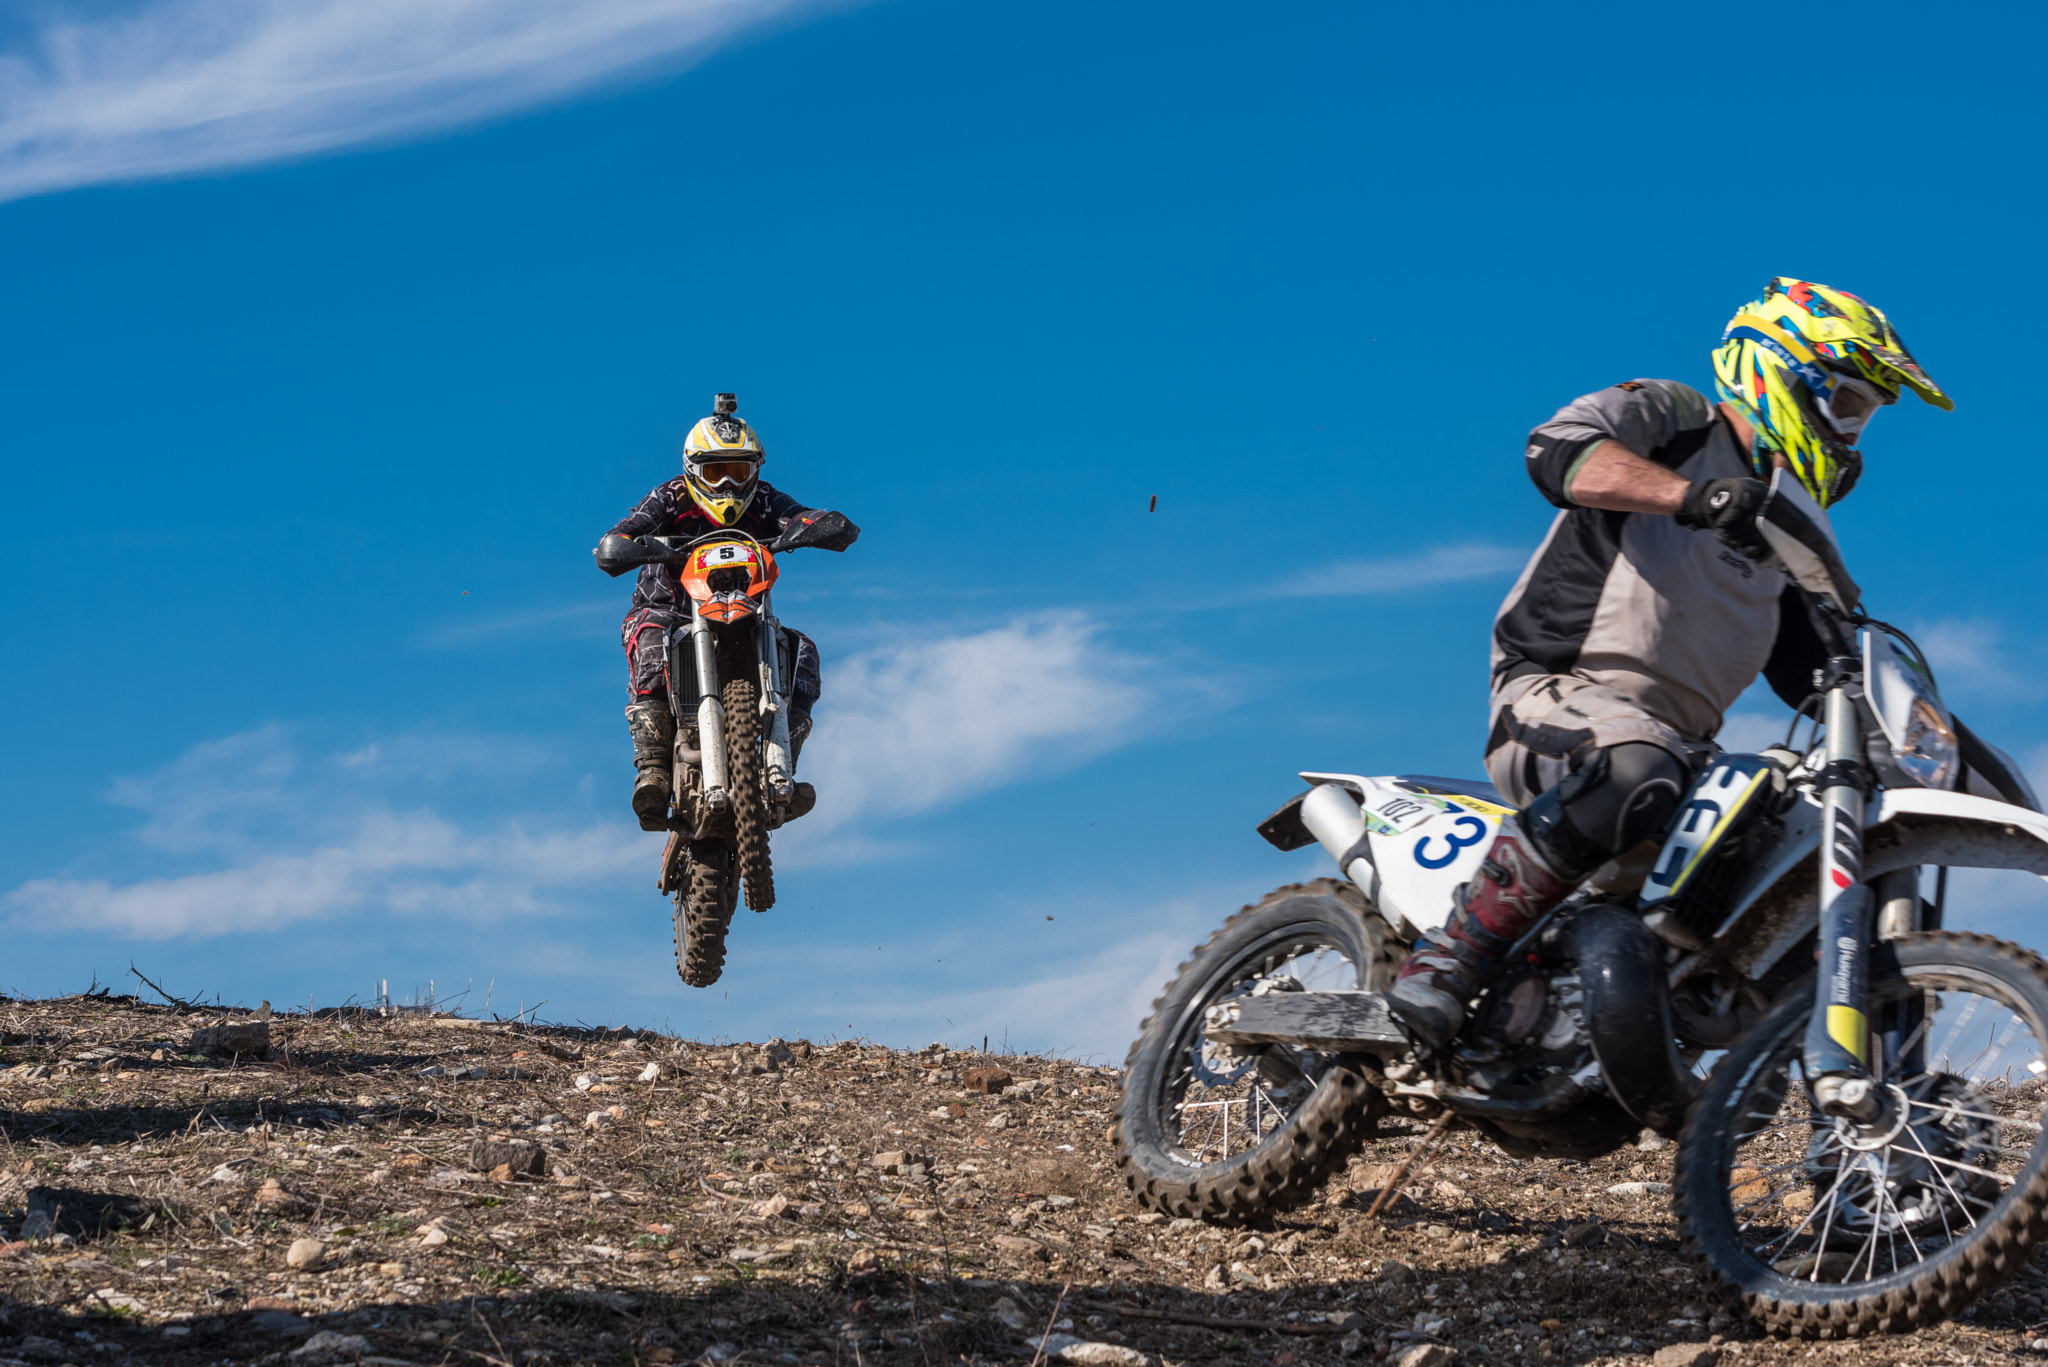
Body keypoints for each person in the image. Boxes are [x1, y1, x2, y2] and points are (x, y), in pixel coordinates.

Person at [1384, 278, 1954, 1051]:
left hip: (1682, 749)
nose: (1853, 437)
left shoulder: (1785, 529)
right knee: (1637, 768)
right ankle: (1451, 959)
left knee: (1793, 843)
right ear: (1782, 372)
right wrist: (1695, 496)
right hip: (1557, 691)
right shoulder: (1674, 417)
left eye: (1866, 419)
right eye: (1849, 407)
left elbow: (1818, 673)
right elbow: (1558, 452)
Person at [593, 395, 856, 831]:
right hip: (669, 611)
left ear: (756, 470)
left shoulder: (765, 501)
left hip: (747, 613)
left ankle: (781, 768)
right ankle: (653, 770)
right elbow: (623, 533)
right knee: (652, 636)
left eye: (739, 472)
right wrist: (623, 545)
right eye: (717, 472)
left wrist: (820, 525)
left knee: (803, 651)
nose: (729, 486)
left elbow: (800, 516)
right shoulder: (670, 497)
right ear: (693, 470)